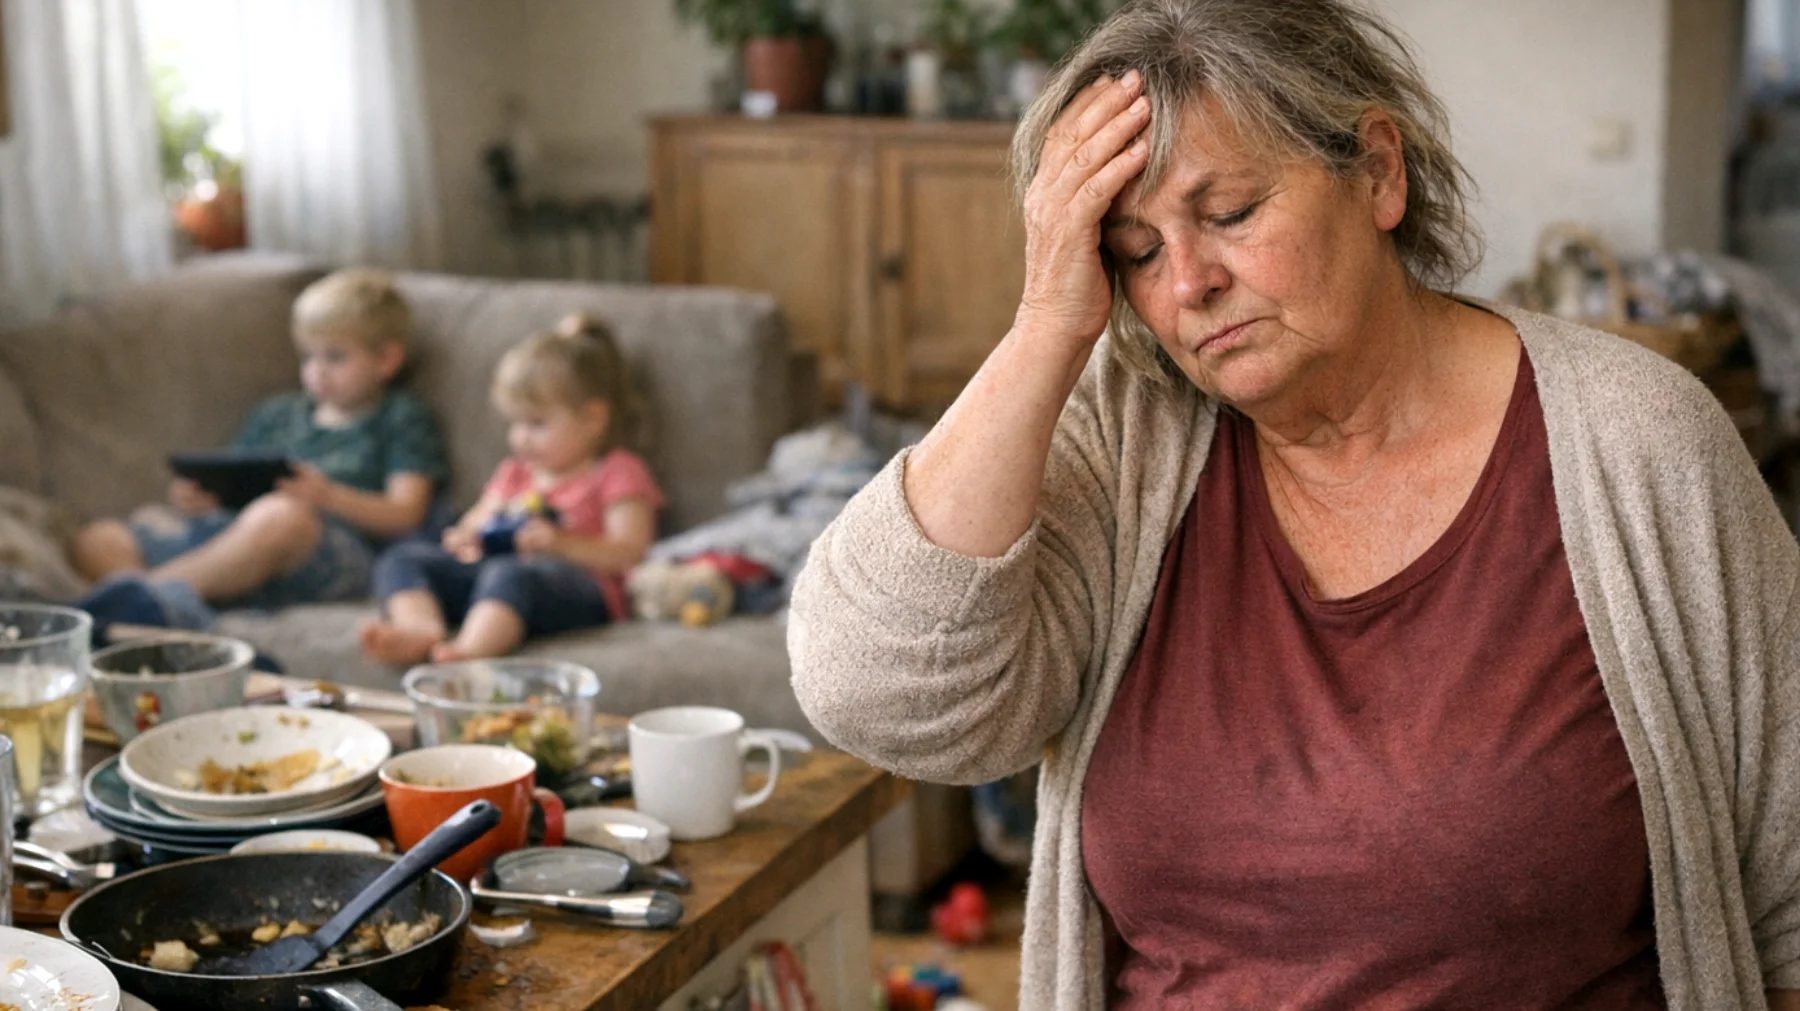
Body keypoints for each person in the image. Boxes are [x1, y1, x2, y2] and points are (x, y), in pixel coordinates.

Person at [787, 1, 1800, 1009]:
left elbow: (1789, 887)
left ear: (1380, 172)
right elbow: (876, 694)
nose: (1188, 281)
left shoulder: (1636, 443)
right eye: (1136, 252)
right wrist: (1049, 323)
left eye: (1229, 214)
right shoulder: (1129, 439)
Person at [70, 269, 447, 628]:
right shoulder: (277, 414)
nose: (318, 371)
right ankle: (160, 605)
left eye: (335, 357)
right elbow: (234, 478)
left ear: (387, 359)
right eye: (308, 357)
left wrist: (328, 496)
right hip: (235, 536)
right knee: (101, 537)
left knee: (282, 515)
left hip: (330, 549)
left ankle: (144, 599)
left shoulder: (399, 417)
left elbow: (407, 513)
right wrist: (202, 496)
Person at [358, 315, 663, 664]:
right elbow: (476, 520)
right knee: (402, 557)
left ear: (593, 418)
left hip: (579, 590)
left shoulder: (617, 471)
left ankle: (468, 655)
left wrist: (560, 544)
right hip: (494, 578)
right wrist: (466, 538)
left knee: (511, 573)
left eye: (536, 423)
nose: (520, 437)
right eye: (514, 423)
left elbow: (631, 553)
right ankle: (420, 630)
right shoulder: (515, 474)